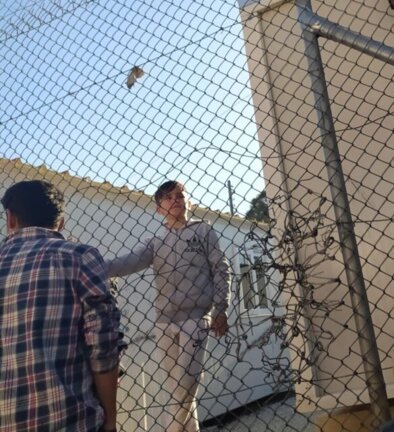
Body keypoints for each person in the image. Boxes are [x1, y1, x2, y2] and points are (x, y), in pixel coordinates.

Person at [106, 180, 231, 432]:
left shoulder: (203, 231)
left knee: (186, 384)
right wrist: (95, 265)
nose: (174, 200)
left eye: (179, 195)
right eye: (167, 198)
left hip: (196, 318)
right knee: (179, 390)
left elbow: (221, 269)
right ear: (159, 209)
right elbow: (130, 261)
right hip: (164, 322)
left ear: (189, 201)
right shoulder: (156, 242)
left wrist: (222, 307)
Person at [0, 180, 123, 432]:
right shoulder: (80, 257)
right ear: (61, 223)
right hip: (70, 419)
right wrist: (110, 419)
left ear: (10, 218)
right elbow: (102, 346)